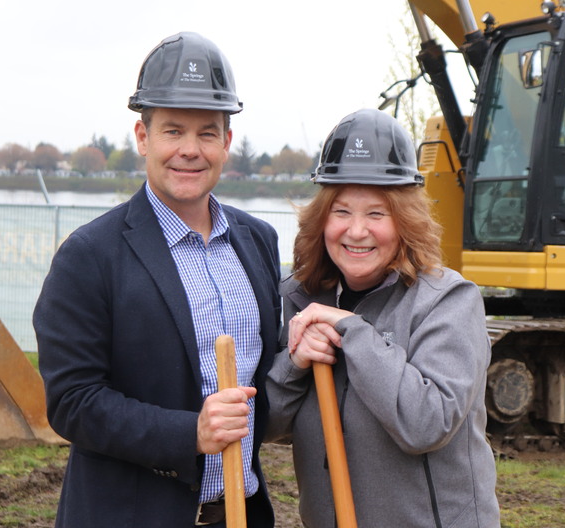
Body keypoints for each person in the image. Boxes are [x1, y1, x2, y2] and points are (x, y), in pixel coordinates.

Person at [33, 32, 281, 528]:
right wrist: (191, 433)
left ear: (226, 144)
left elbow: (268, 376)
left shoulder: (258, 241)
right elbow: (73, 402)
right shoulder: (89, 256)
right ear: (143, 137)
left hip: (240, 514)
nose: (190, 150)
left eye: (207, 133)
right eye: (173, 131)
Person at [266, 108, 501, 528]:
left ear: (405, 221)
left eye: (377, 213)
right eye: (341, 211)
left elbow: (426, 424)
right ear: (321, 220)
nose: (357, 231)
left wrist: (353, 331)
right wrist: (294, 363)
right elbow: (266, 425)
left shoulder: (448, 301)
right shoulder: (299, 299)